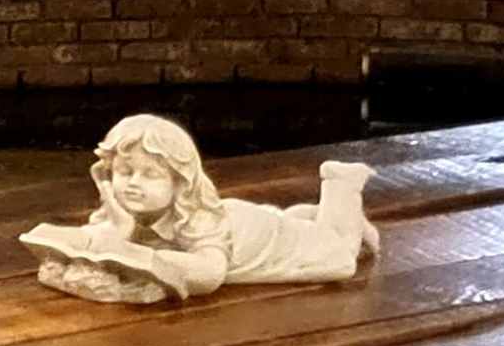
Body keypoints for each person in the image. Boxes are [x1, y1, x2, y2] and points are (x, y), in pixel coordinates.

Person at [21, 113, 377, 305]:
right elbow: (101, 237)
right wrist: (113, 227)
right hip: (243, 222)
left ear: (180, 184)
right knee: (295, 226)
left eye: (150, 175)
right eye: (124, 172)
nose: (132, 183)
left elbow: (210, 273)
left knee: (340, 257)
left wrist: (146, 258)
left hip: (264, 242)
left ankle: (341, 185)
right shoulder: (129, 207)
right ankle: (304, 216)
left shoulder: (198, 218)